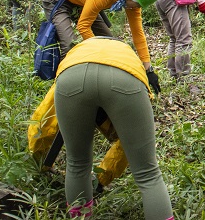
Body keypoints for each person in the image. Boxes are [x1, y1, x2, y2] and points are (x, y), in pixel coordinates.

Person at [53, 37, 172, 219]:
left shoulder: (76, 53)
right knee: (148, 174)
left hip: (71, 77)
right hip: (123, 76)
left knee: (77, 162)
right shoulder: (126, 53)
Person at [41, 0, 161, 67]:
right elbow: (83, 26)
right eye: (136, 5)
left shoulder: (132, 0)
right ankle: (62, 82)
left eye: (139, 6)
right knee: (69, 45)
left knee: (110, 43)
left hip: (80, 0)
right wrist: (98, 54)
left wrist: (147, 67)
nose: (136, 8)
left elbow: (138, 33)